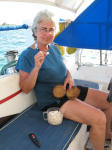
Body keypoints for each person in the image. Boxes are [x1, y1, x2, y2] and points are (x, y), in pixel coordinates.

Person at [16, 10, 112, 150]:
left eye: (51, 30)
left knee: (109, 101)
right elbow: (25, 88)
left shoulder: (54, 49)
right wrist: (36, 67)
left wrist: (69, 76)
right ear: (35, 31)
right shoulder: (27, 55)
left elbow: (64, 69)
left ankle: (104, 135)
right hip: (53, 100)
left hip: (69, 90)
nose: (48, 34)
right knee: (99, 118)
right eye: (44, 29)